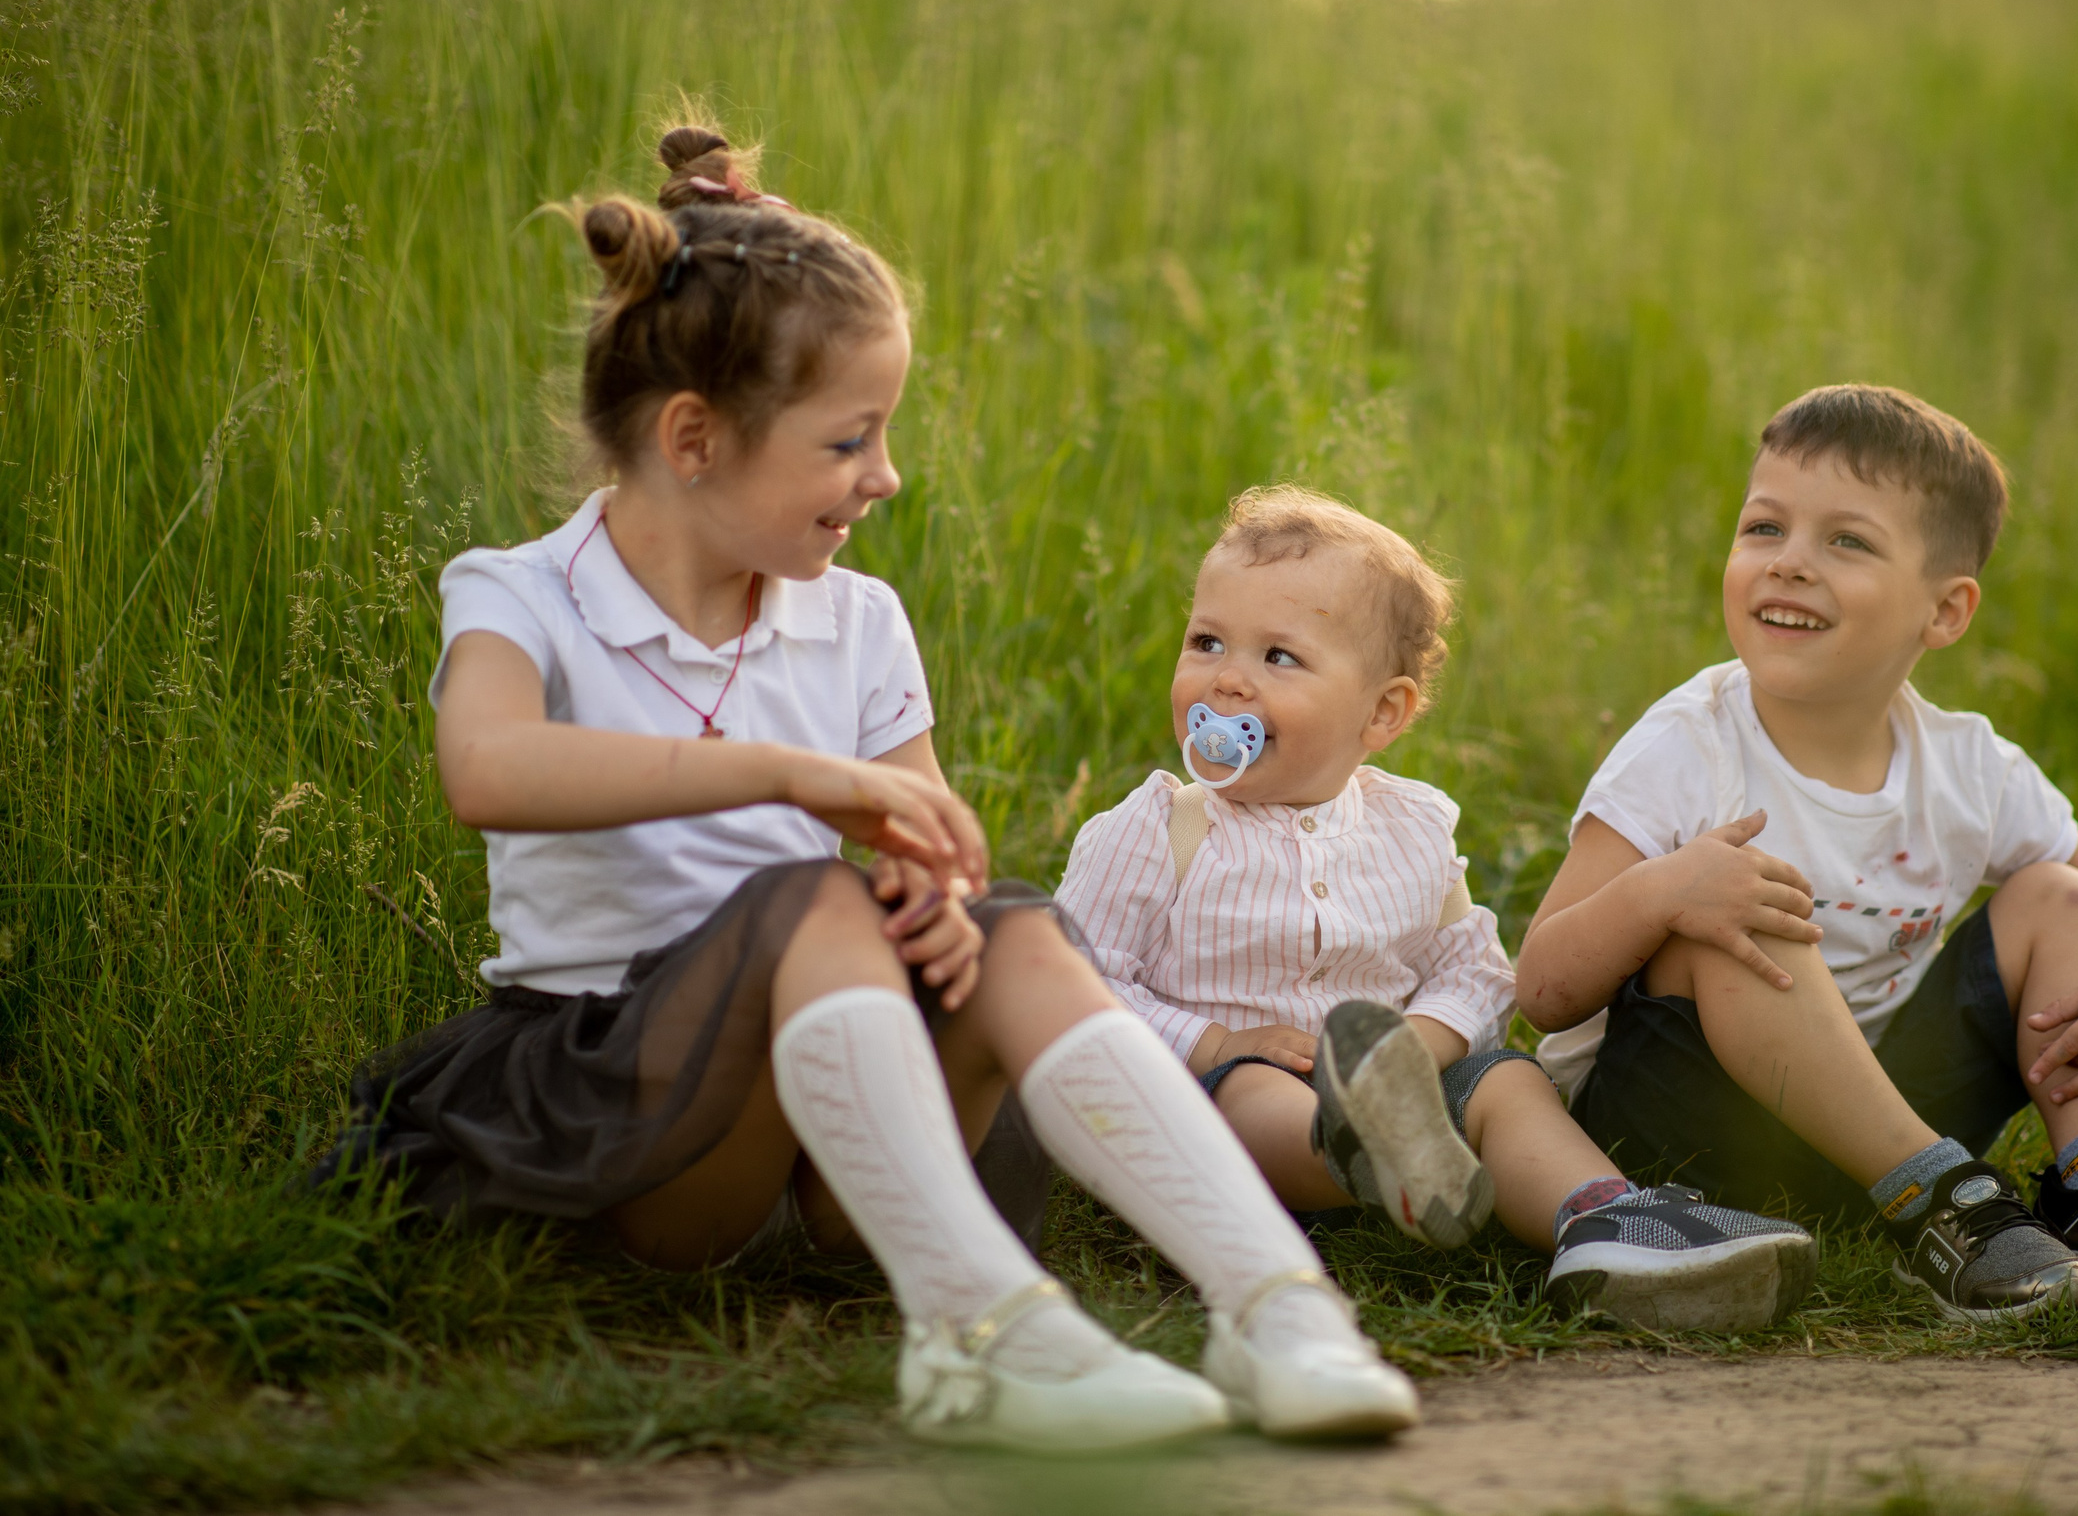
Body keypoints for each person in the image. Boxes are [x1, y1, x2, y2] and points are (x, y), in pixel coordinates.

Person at [324, 124, 1419, 1449]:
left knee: (1012, 918)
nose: (885, 475)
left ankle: (1277, 1303)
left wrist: (935, 898)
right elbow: (486, 770)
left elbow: (923, 843)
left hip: (845, 1121)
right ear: (694, 437)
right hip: (641, 1116)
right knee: (807, 895)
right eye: (850, 439)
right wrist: (789, 774)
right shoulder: (520, 594)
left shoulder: (858, 620)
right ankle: (978, 1334)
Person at [1517, 385, 2078, 1322]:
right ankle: (1937, 1200)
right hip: (1681, 1139)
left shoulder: (1967, 766)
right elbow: (1541, 986)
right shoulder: (1686, 745)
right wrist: (1666, 892)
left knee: (2070, 900)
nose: (1790, 564)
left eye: (1847, 541)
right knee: (1742, 908)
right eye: (1764, 527)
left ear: (1944, 611)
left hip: (1876, 1121)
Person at [1059, 487, 1817, 1334]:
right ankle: (1359, 1150)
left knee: (1507, 1083)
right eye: (1206, 642)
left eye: (1279, 657)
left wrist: (1413, 1055)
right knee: (1251, 1091)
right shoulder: (1158, 827)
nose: (1227, 676)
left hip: (1400, 1099)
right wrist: (1217, 1042)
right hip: (1216, 1122)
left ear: (1382, 712)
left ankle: (1607, 1222)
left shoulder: (1411, 825)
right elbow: (1074, 985)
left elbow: (1474, 967)